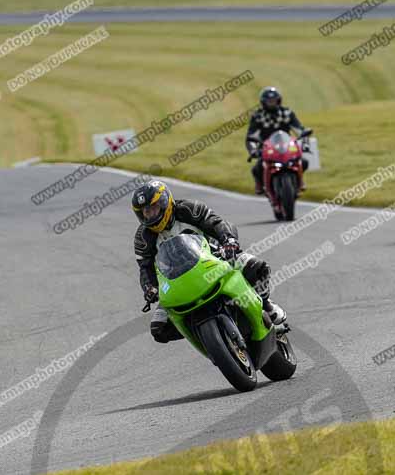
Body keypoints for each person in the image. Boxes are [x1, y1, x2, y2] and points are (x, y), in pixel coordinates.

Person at [132, 180, 287, 343]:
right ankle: (204, 335)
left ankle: (266, 304)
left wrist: (229, 240)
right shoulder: (143, 238)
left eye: (154, 208)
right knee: (159, 329)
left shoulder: (189, 209)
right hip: (177, 281)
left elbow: (216, 223)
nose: (150, 215)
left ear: (165, 202)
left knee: (258, 267)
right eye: (146, 212)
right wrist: (149, 288)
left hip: (215, 259)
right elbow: (145, 268)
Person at [246, 87, 310, 195]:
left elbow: (300, 130)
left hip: (287, 146)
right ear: (263, 102)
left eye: (274, 101)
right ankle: (259, 185)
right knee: (257, 169)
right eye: (269, 101)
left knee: (303, 162)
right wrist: (253, 150)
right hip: (267, 148)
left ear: (279, 100)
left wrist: (305, 144)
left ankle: (299, 181)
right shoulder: (258, 116)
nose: (272, 103)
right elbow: (251, 136)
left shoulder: (287, 113)